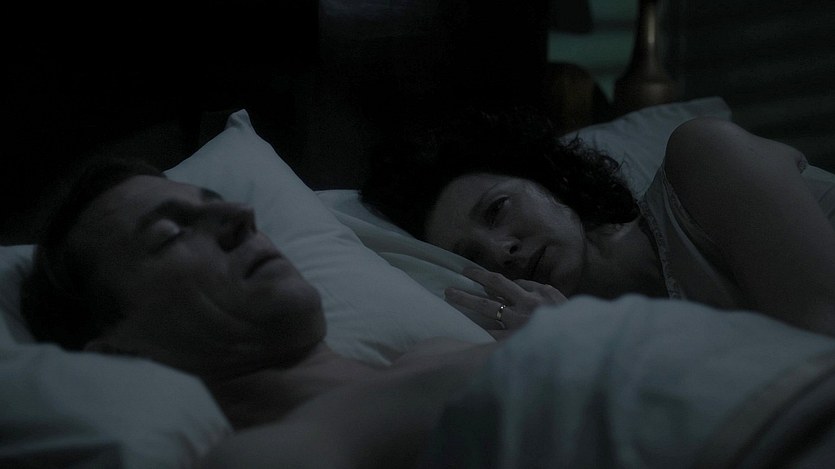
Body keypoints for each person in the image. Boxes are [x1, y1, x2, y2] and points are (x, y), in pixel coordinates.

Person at [19, 157, 835, 468]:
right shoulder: (287, 443)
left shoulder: (425, 361)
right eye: (171, 233)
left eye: (215, 200)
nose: (238, 215)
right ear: (116, 348)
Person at [360, 107, 835, 337]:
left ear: (549, 181)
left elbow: (820, 354)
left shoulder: (704, 159)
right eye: (475, 257)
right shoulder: (576, 340)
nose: (502, 251)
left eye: (497, 209)